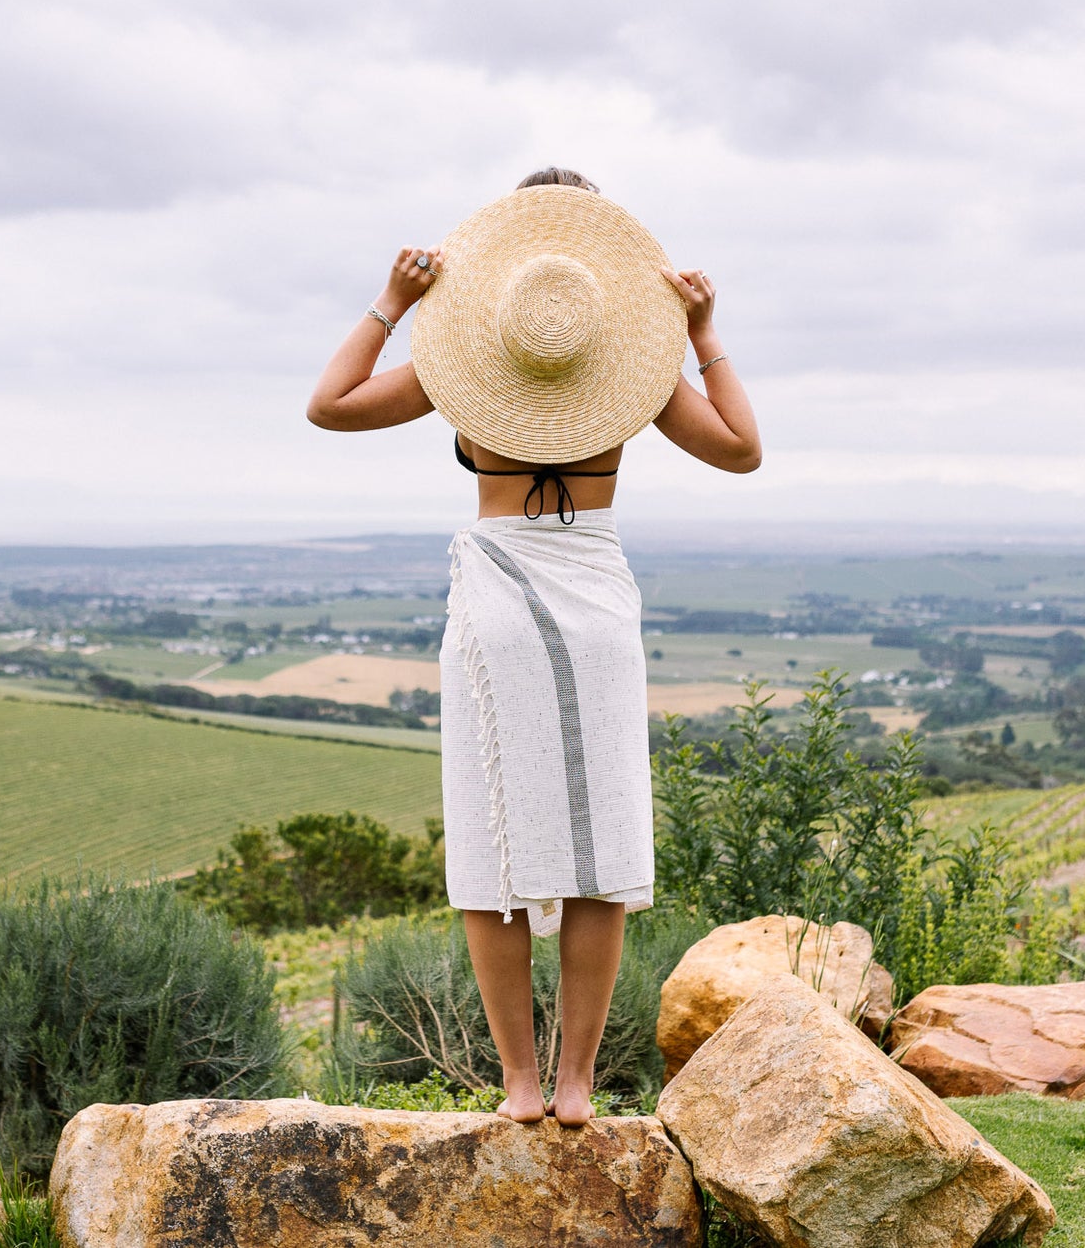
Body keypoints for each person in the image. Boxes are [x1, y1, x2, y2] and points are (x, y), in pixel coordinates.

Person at [307, 166, 760, 1127]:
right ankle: (575, 1084)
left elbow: (329, 404)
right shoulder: (634, 374)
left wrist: (391, 304)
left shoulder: (461, 369)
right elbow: (739, 448)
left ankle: (517, 1080)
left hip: (496, 599)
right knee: (600, 840)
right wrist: (703, 336)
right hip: (596, 596)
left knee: (495, 833)